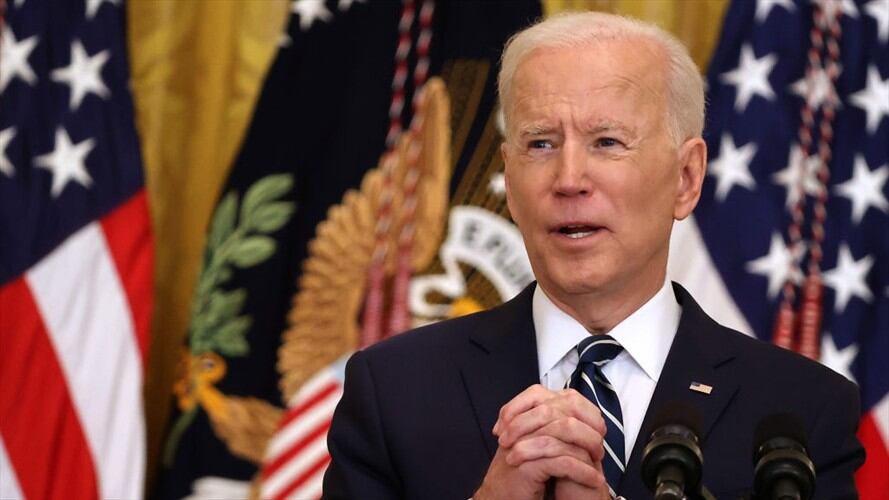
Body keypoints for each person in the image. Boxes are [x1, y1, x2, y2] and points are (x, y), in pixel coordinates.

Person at [322, 11, 864, 499]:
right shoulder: (394, 389)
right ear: (509, 180)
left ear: (687, 177)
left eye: (607, 142)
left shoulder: (802, 412)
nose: (569, 179)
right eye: (540, 143)